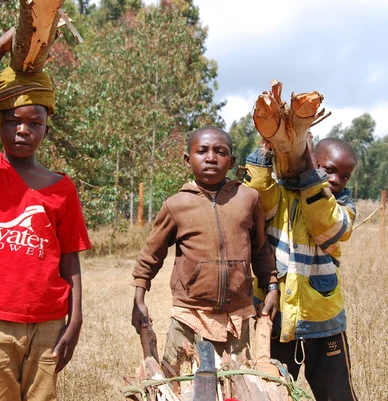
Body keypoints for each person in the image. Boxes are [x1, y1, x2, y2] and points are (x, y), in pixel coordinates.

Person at [0, 28, 91, 401]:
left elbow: (69, 258)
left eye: (35, 123)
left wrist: (75, 318)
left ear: (47, 128)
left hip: (48, 323)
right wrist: (1, 47)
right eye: (13, 120)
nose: (22, 131)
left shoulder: (61, 187)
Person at [131, 126, 279, 372]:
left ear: (231, 161)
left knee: (235, 382)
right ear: (188, 160)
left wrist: (271, 286)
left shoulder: (248, 199)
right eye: (202, 151)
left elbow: (260, 249)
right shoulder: (176, 205)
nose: (211, 157)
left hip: (237, 313)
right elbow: (151, 255)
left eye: (220, 152)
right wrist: (139, 299)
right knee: (176, 379)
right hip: (189, 313)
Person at [244, 134, 359, 401]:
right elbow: (257, 198)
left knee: (337, 394)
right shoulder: (280, 192)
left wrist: (311, 172)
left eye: (345, 176)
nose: (336, 180)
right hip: (277, 314)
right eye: (328, 170)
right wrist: (266, 153)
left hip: (323, 318)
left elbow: (325, 225)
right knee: (272, 391)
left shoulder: (343, 206)